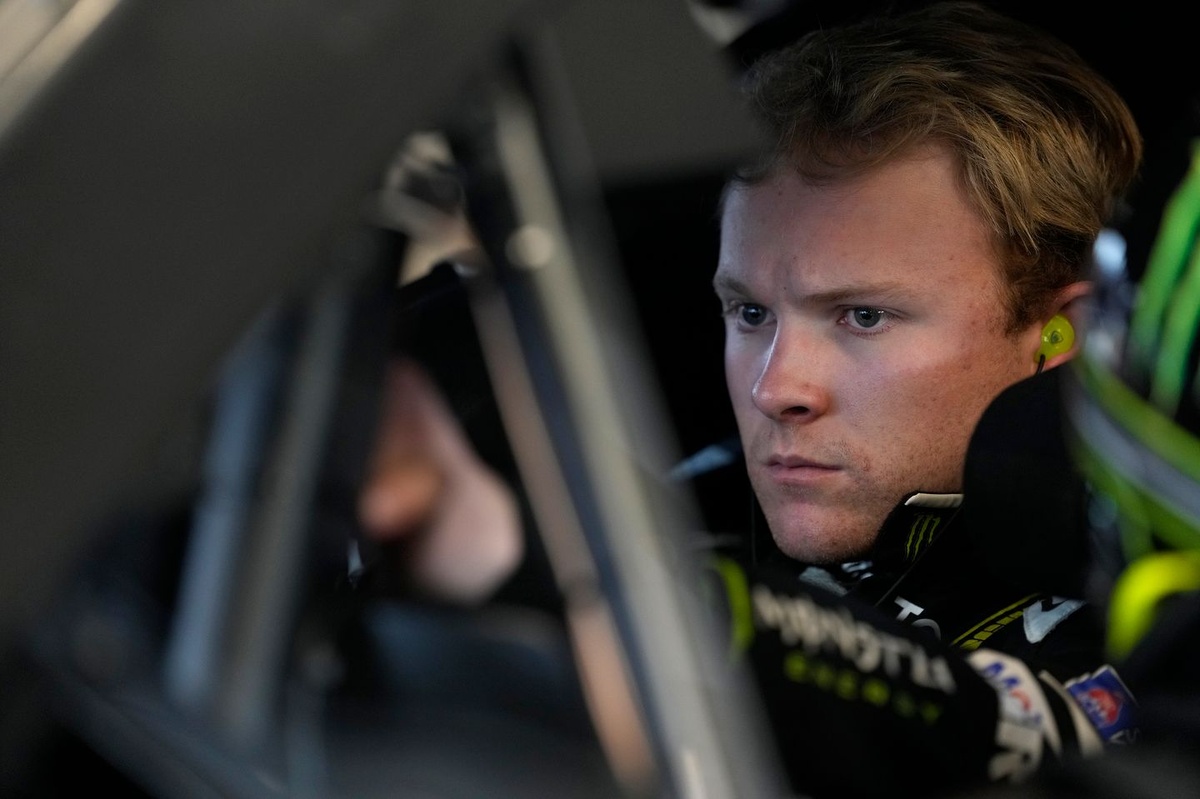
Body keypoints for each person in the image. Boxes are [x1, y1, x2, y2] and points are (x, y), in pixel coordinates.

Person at [354, 2, 1149, 796]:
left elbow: (991, 728)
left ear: (1061, 333)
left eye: (863, 316)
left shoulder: (1138, 618)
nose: (776, 388)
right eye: (751, 312)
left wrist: (490, 546)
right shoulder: (679, 495)